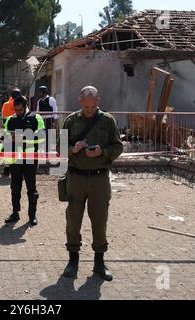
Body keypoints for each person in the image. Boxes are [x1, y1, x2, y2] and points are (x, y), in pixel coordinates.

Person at [57, 86, 123, 281]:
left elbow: (118, 146)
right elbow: (59, 148)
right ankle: (73, 261)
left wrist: (101, 152)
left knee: (100, 221)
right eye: (86, 107)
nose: (90, 111)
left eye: (93, 107)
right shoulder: (70, 121)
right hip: (76, 178)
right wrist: (73, 148)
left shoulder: (107, 120)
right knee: (73, 220)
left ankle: (99, 262)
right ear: (80, 102)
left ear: (98, 102)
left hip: (99, 179)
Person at [4, 96, 45, 227]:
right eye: (16, 110)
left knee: (31, 188)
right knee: (15, 187)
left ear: (26, 106)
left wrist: (24, 137)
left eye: (20, 110)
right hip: (15, 159)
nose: (18, 112)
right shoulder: (11, 119)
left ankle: (32, 215)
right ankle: (15, 212)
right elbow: (4, 136)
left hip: (30, 159)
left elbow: (42, 135)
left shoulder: (36, 118)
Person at [0, 89, 22, 176]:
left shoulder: (5, 104)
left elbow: (2, 118)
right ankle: (18, 170)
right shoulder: (21, 104)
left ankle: (6, 170)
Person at [37, 86, 59, 152]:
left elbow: (55, 111)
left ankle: (48, 150)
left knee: (48, 136)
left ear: (44, 92)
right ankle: (43, 149)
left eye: (40, 92)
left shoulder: (51, 99)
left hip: (49, 120)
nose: (39, 93)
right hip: (41, 121)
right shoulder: (39, 101)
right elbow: (38, 112)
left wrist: (55, 122)